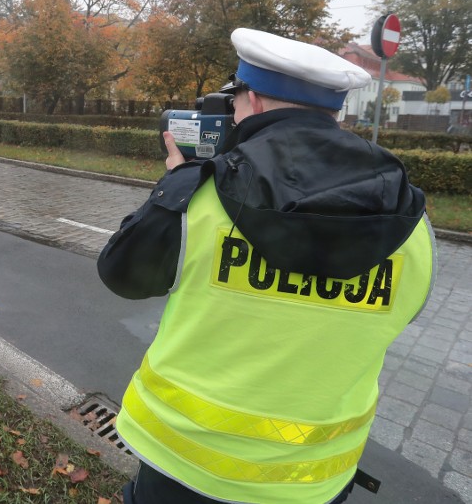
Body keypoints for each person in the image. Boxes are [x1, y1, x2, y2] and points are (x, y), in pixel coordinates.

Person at [98, 28, 436, 504]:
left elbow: (120, 274)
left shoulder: (199, 195)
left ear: (252, 102)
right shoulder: (411, 222)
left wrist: (172, 187)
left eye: (232, 100)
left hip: (185, 466)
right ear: (332, 110)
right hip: (315, 479)